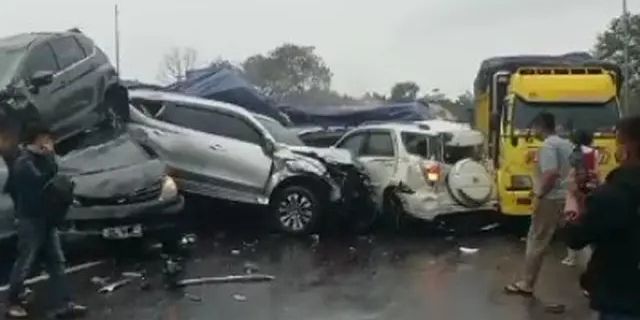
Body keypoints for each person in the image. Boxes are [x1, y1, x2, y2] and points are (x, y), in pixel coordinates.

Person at [5, 122, 86, 319]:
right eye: (46, 139)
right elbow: (40, 183)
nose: (50, 143)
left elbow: (54, 174)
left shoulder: (44, 158)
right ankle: (12, 301)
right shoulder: (24, 162)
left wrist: (50, 157)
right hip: (31, 219)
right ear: (37, 140)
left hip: (47, 218)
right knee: (26, 261)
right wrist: (48, 160)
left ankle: (66, 302)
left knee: (57, 261)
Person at [564, 116, 640, 320]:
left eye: (618, 141)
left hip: (622, 299)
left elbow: (576, 237)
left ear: (627, 149)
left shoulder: (614, 194)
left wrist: (577, 202)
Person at [505, 112, 573, 295]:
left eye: (534, 127)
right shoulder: (566, 144)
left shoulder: (548, 145)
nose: (532, 131)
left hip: (550, 198)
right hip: (567, 197)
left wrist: (539, 193)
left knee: (537, 240)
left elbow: (550, 173)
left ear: (540, 126)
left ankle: (527, 283)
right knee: (574, 239)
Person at [562, 129, 599, 267]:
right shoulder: (592, 152)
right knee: (586, 221)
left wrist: (577, 190)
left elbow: (579, 174)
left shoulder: (576, 154)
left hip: (577, 190)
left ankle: (572, 257)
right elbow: (593, 173)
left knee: (573, 220)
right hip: (590, 189)